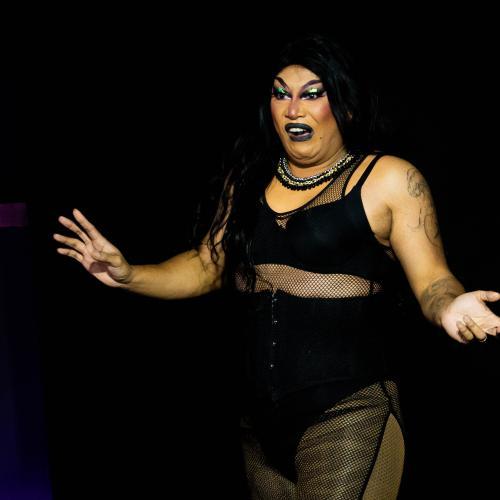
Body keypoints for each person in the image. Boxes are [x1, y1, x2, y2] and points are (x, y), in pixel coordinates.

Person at [54, 33, 500, 499]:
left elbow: (433, 280)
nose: (293, 110)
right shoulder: (248, 178)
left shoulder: (388, 179)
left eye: (311, 94)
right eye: (280, 94)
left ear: (344, 105)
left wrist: (450, 305)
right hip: (261, 431)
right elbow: (206, 267)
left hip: (349, 414)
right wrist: (130, 275)